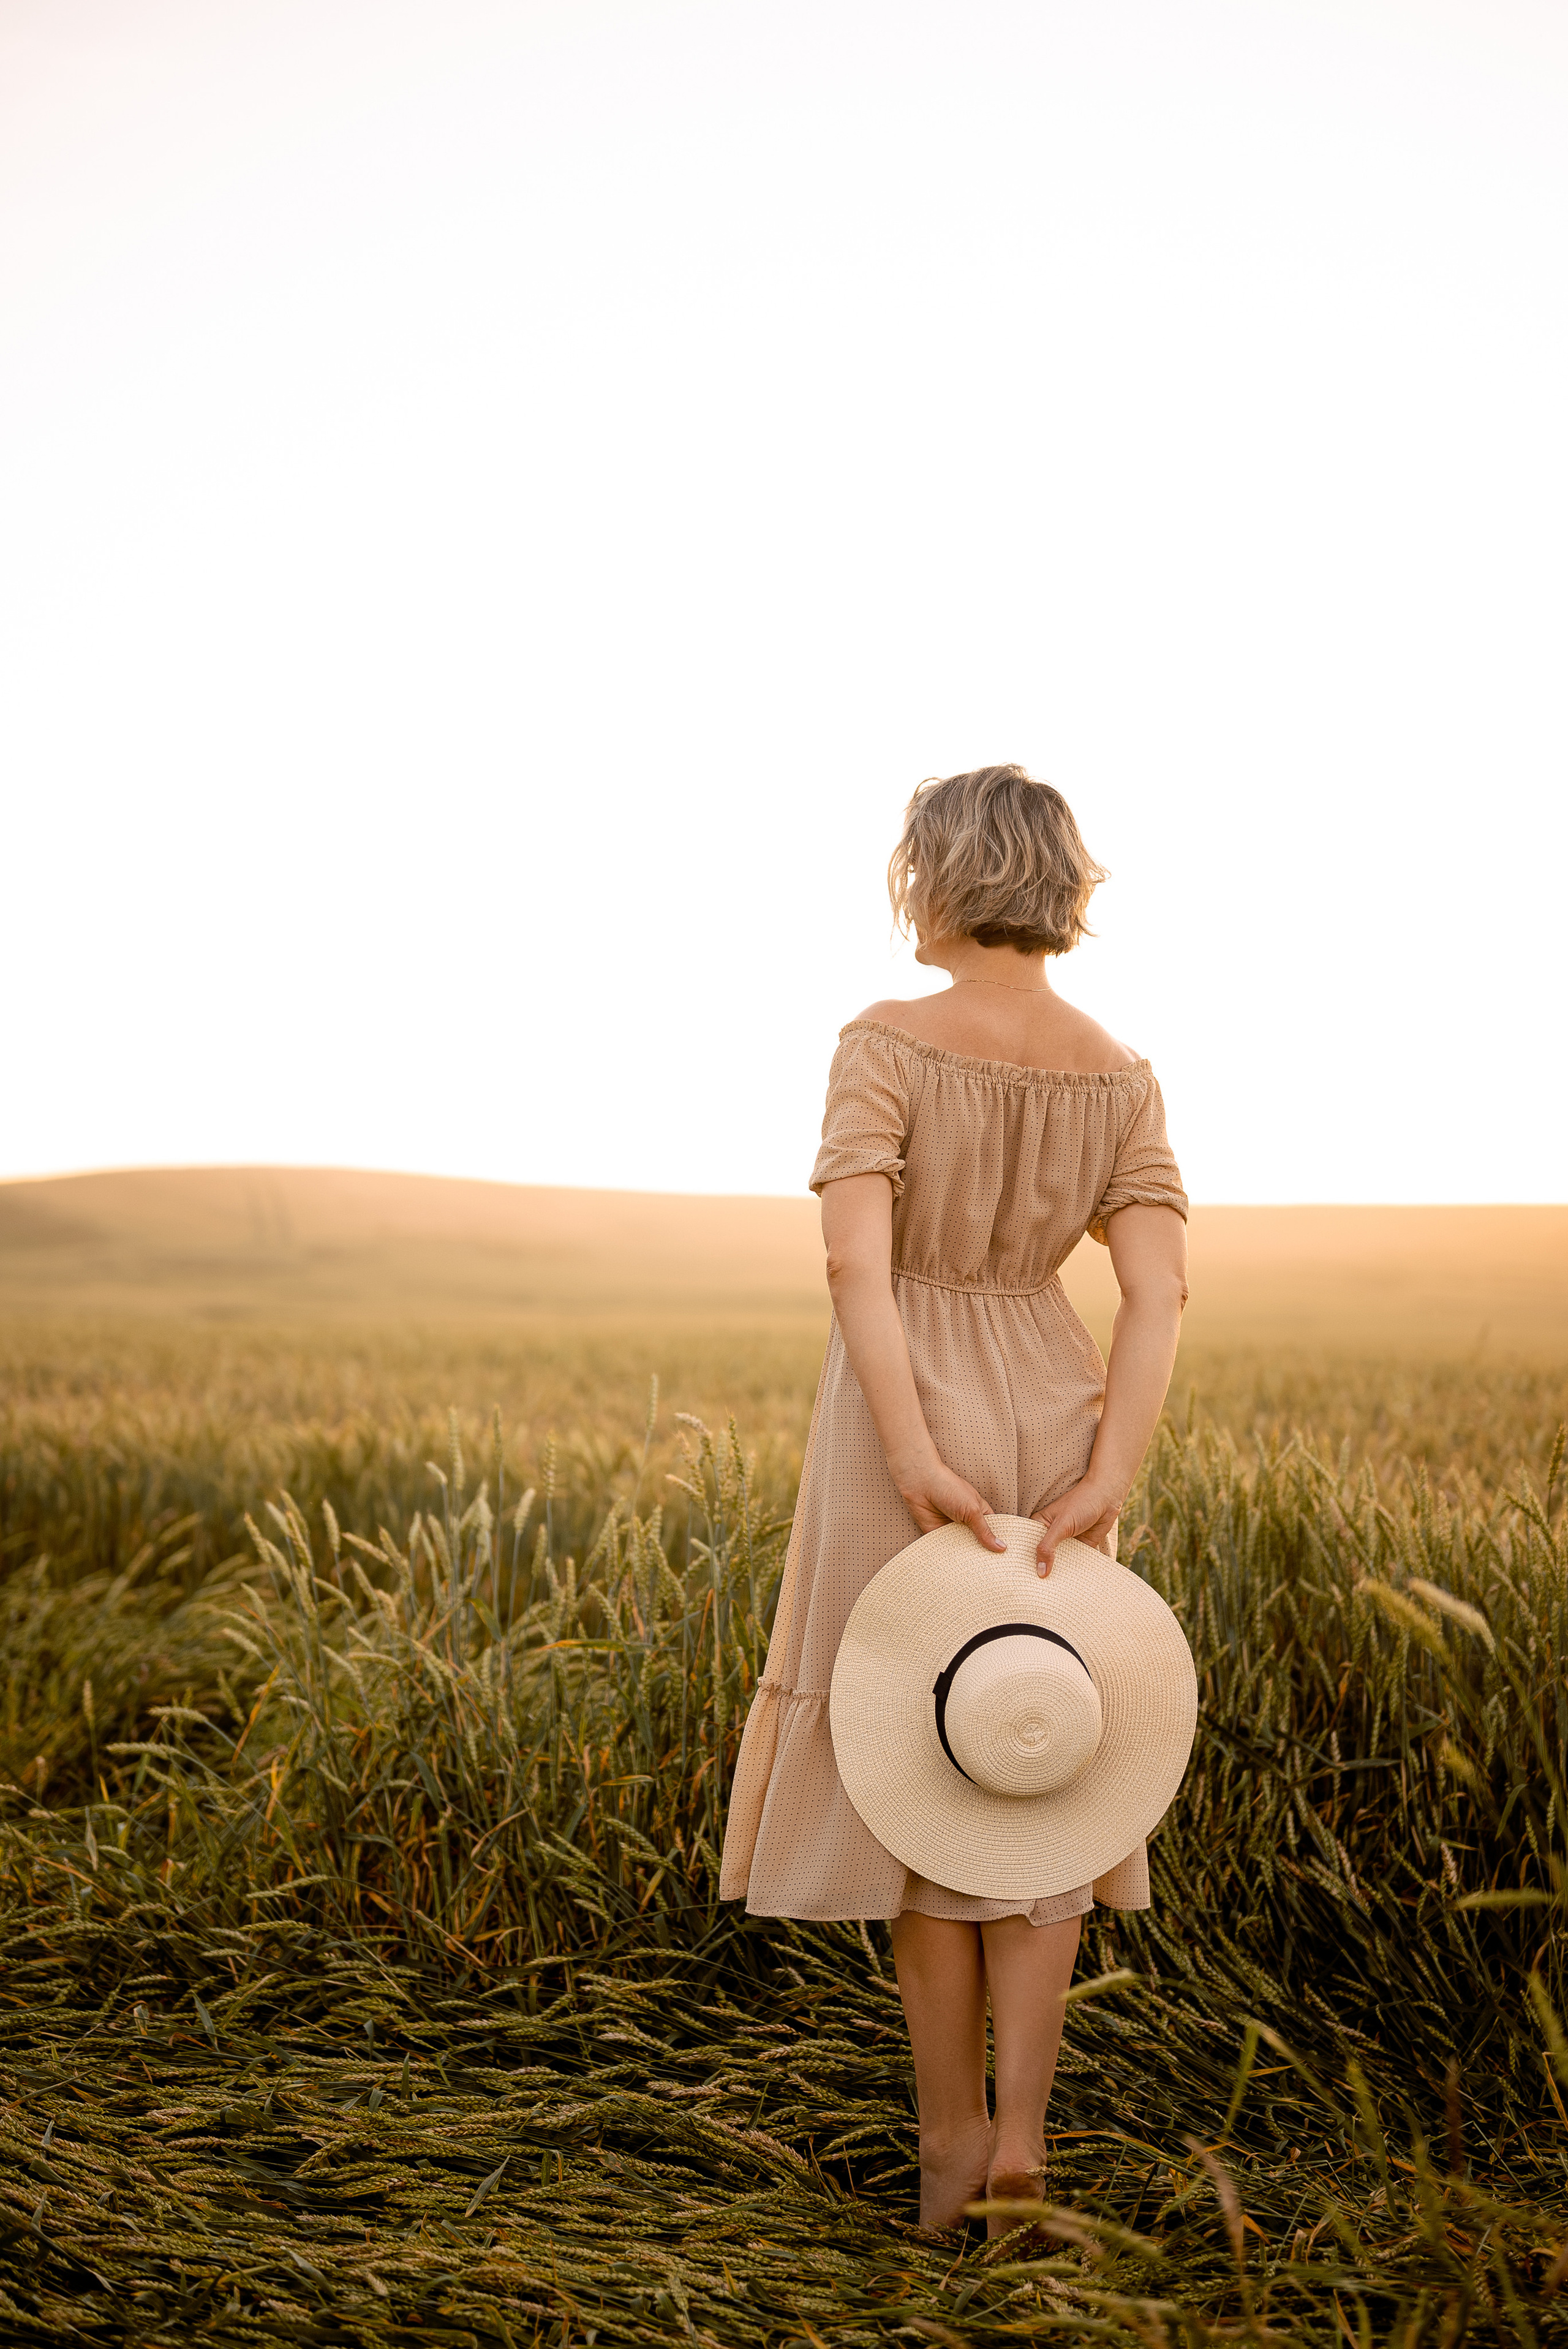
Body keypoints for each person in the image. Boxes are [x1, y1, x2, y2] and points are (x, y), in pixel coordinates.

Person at [718, 764, 1189, 2233]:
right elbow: (1158, 1288)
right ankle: (1025, 2137)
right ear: (1063, 884)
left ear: (931, 877)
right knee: (1034, 1761)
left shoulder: (885, 1042)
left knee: (922, 1771)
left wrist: (911, 1447)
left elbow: (857, 1263)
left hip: (896, 1417)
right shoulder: (1117, 1070)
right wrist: (1110, 1464)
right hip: (1055, 1401)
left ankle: (946, 2144)